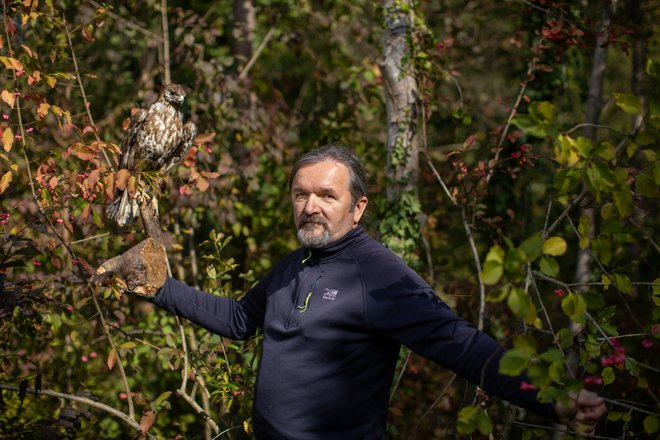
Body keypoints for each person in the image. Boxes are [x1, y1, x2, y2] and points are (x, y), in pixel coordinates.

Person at [122, 143, 607, 439]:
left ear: (357, 207)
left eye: (326, 195)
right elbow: (237, 320)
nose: (310, 206)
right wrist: (158, 285)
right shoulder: (292, 266)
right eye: (301, 194)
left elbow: (458, 343)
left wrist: (550, 396)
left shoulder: (379, 276)